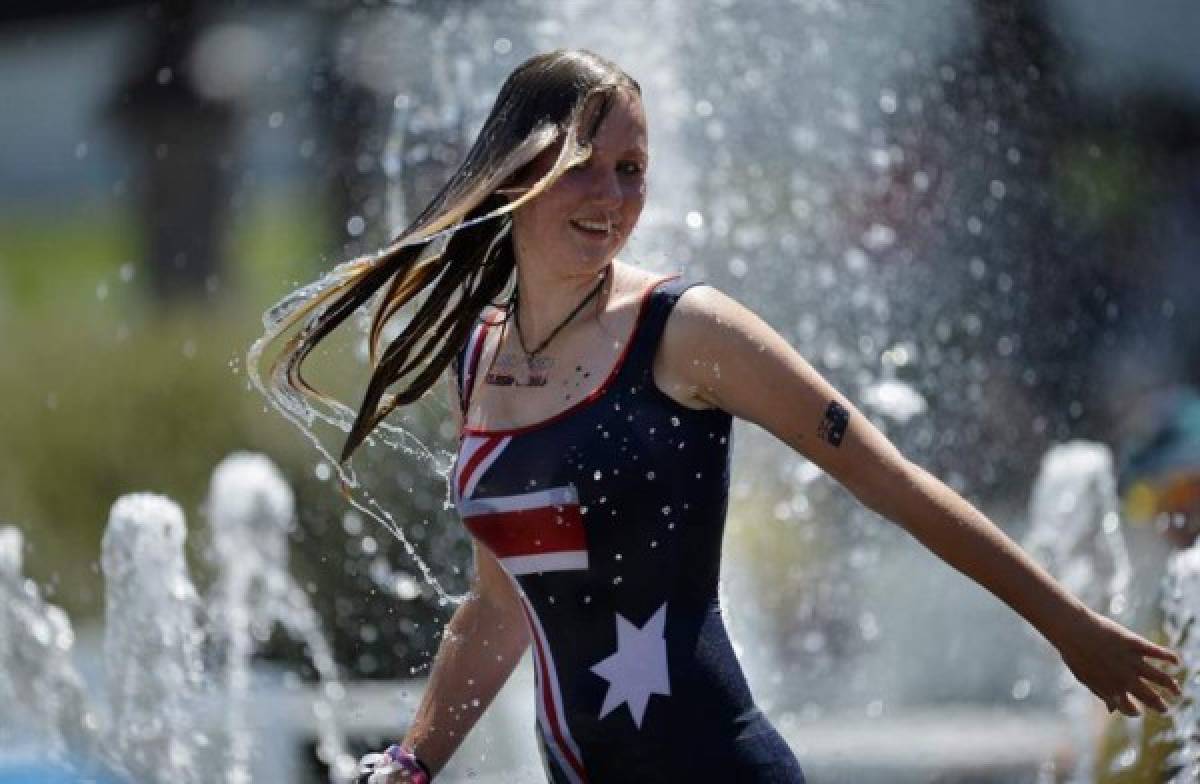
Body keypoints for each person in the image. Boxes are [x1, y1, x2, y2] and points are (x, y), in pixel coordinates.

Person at [260, 50, 1181, 783]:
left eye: (633, 171)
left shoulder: (688, 329)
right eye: (589, 168)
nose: (616, 199)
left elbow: (888, 481)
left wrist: (1071, 628)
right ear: (518, 170)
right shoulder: (482, 356)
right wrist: (414, 763)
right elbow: (499, 604)